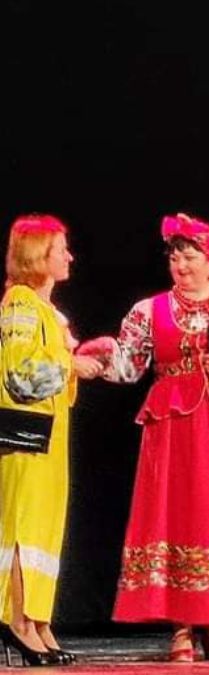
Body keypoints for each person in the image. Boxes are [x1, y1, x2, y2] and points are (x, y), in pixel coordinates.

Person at [78, 214, 209, 661]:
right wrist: (103, 354)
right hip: (176, 426)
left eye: (190, 257)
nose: (181, 266)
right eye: (174, 258)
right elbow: (129, 365)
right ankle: (181, 626)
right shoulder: (149, 310)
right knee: (180, 513)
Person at [0, 215, 101, 666]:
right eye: (61, 249)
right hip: (25, 437)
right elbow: (19, 373)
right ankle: (17, 620)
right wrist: (69, 365)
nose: (69, 257)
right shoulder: (20, 303)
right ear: (39, 255)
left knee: (43, 530)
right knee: (23, 529)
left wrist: (79, 358)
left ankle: (37, 619)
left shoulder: (46, 311)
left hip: (49, 435)